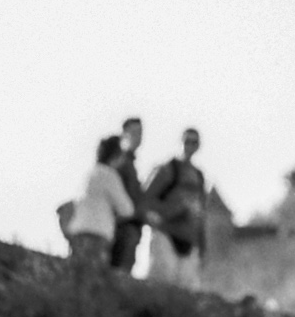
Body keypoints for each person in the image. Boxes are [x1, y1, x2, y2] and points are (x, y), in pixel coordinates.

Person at [145, 128, 207, 289]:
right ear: (181, 142)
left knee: (186, 290)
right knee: (161, 284)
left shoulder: (199, 177)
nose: (190, 146)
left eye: (194, 142)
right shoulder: (168, 169)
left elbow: (201, 214)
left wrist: (202, 247)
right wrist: (171, 210)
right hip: (166, 234)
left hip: (189, 240)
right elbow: (146, 200)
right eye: (187, 141)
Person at [65, 136, 134, 270]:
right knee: (92, 278)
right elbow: (127, 209)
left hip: (78, 232)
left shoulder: (90, 172)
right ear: (116, 155)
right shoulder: (109, 175)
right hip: (97, 234)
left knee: (76, 275)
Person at [110, 118, 148, 275]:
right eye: (133, 132)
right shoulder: (119, 162)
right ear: (123, 134)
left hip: (130, 228)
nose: (137, 136)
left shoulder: (130, 164)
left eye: (140, 133)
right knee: (118, 275)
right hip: (121, 228)